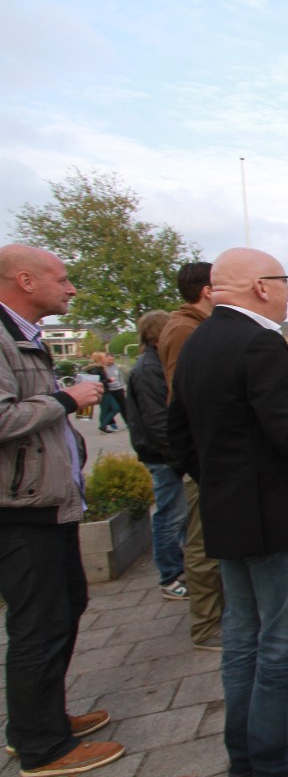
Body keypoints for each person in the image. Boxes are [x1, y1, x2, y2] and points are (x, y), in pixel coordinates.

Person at [169, 247, 288, 777]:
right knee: (284, 645)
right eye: (285, 280)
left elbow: (178, 437)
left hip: (235, 515)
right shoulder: (259, 342)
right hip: (284, 520)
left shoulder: (199, 340)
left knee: (244, 642)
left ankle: (255, 752)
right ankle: (277, 761)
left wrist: (230, 490)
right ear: (261, 286)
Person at [0, 245, 126, 777]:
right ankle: (42, 746)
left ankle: (39, 720)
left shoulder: (23, 338)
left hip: (46, 504)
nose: (71, 288)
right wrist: (66, 400)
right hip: (20, 511)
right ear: (25, 281)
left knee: (62, 609)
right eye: (62, 278)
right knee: (40, 623)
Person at [157, 261, 224, 652]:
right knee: (203, 541)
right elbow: (188, 397)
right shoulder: (185, 331)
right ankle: (207, 626)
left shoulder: (194, 327)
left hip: (207, 451)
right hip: (204, 454)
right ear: (207, 291)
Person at [124, 309, 189, 602]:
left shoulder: (151, 364)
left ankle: (184, 569)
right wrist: (180, 459)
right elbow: (159, 420)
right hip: (163, 457)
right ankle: (170, 576)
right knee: (170, 516)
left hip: (164, 455)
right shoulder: (150, 369)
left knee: (179, 515)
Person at [84, 352, 123, 433]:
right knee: (108, 409)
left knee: (114, 408)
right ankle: (103, 426)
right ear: (100, 359)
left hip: (106, 391)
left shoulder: (100, 367)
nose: (106, 358)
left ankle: (103, 426)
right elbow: (97, 381)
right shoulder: (96, 369)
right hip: (103, 392)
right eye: (104, 357)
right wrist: (108, 380)